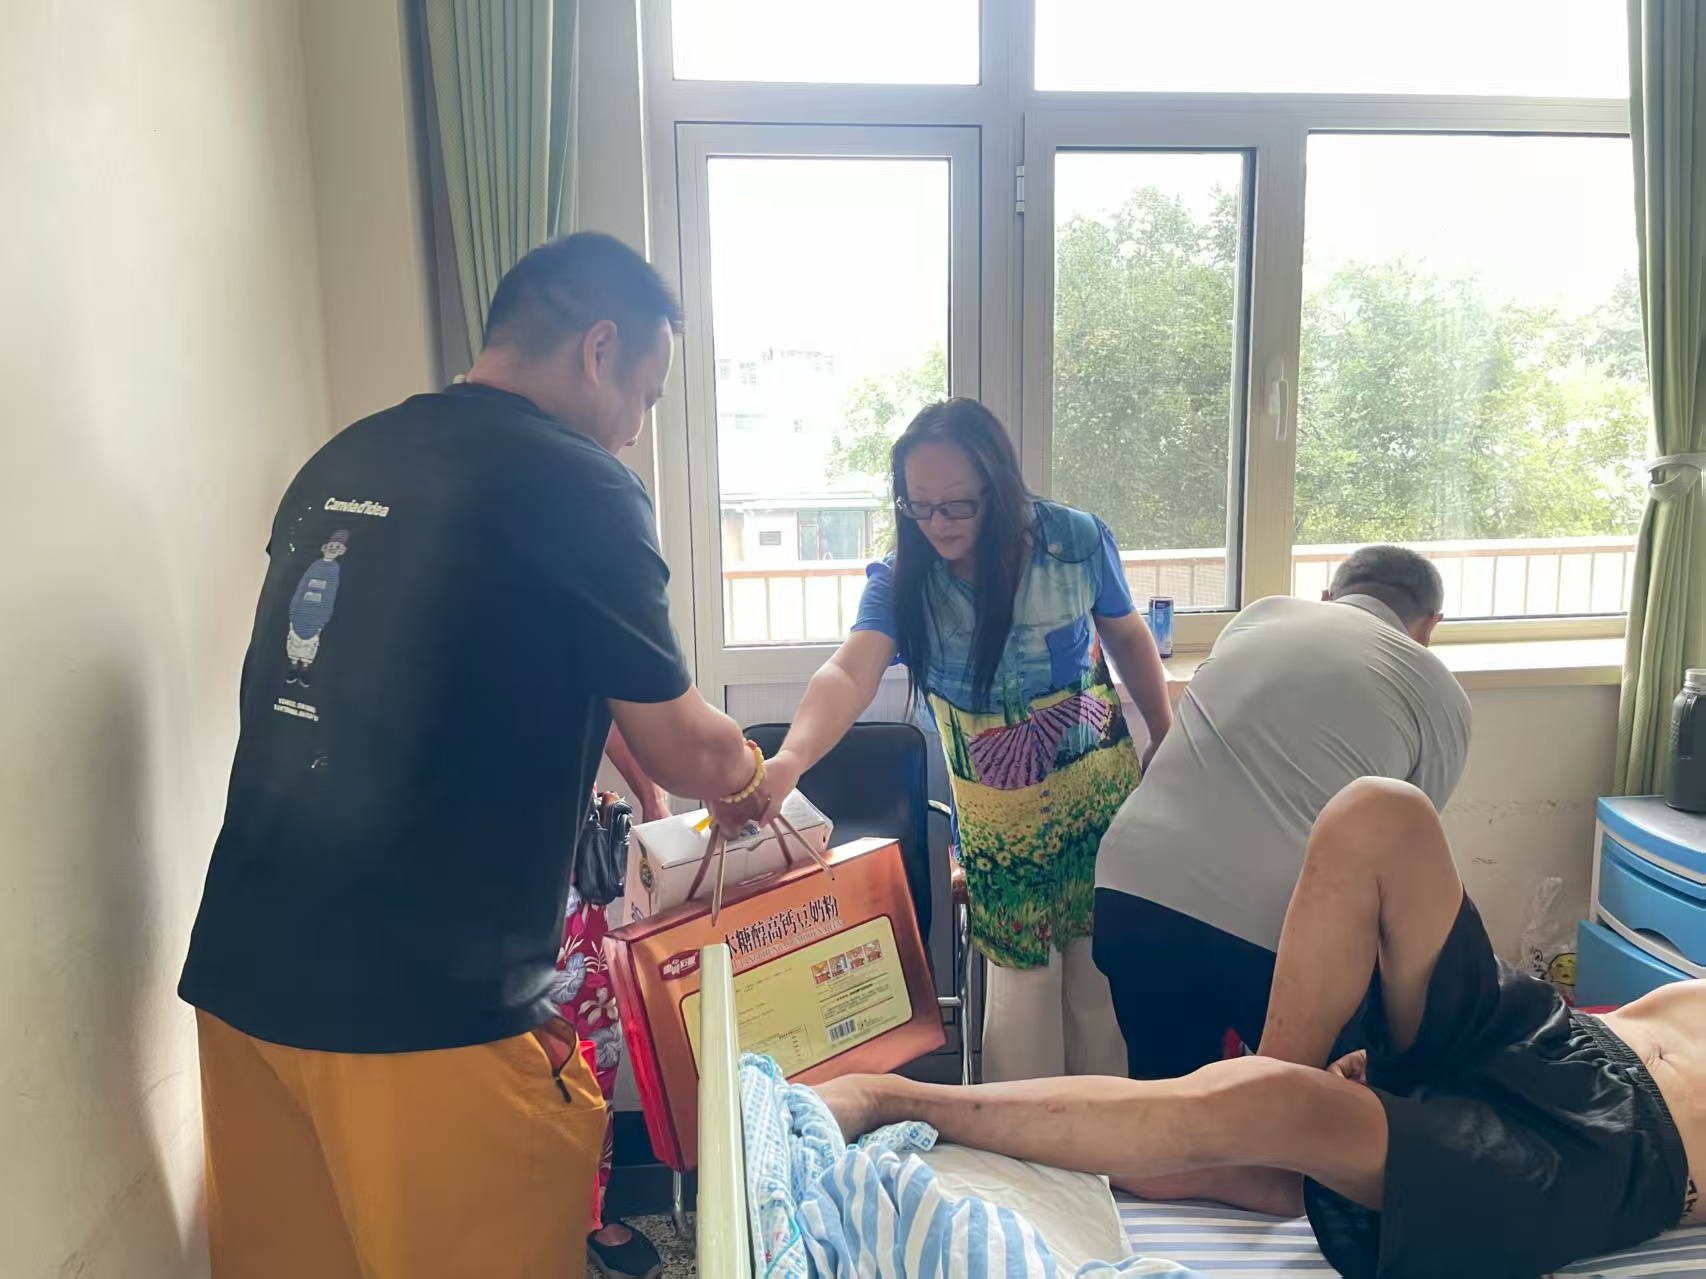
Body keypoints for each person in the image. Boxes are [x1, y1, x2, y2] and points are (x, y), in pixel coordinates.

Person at [179, 232, 772, 1279]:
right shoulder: (580, 486)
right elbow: (683, 741)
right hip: (424, 1004)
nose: (636, 430)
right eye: (644, 395)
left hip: (246, 975)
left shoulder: (341, 460)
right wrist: (753, 777)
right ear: (598, 348)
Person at [819, 778, 1703, 1279]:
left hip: (1611, 1153)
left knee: (1280, 1102)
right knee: (1379, 812)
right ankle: (1271, 1121)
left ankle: (897, 1096)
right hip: (1553, 1035)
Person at [758, 398, 1174, 1082]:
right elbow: (849, 671)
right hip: (1000, 830)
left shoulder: (1075, 541)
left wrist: (1165, 732)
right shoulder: (904, 580)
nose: (938, 524)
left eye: (957, 505)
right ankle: (1022, 1143)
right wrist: (790, 759)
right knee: (1021, 1005)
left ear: (998, 485)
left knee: (1103, 995)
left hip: (1100, 806)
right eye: (919, 505)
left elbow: (1127, 635)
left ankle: (1108, 1142)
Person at [1094, 545, 1471, 1079]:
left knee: (1166, 1102)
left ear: (1328, 596)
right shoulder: (1442, 694)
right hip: (1276, 930)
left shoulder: (1262, 616)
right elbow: (1398, 861)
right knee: (1316, 1103)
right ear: (1430, 624)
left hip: (1133, 888)